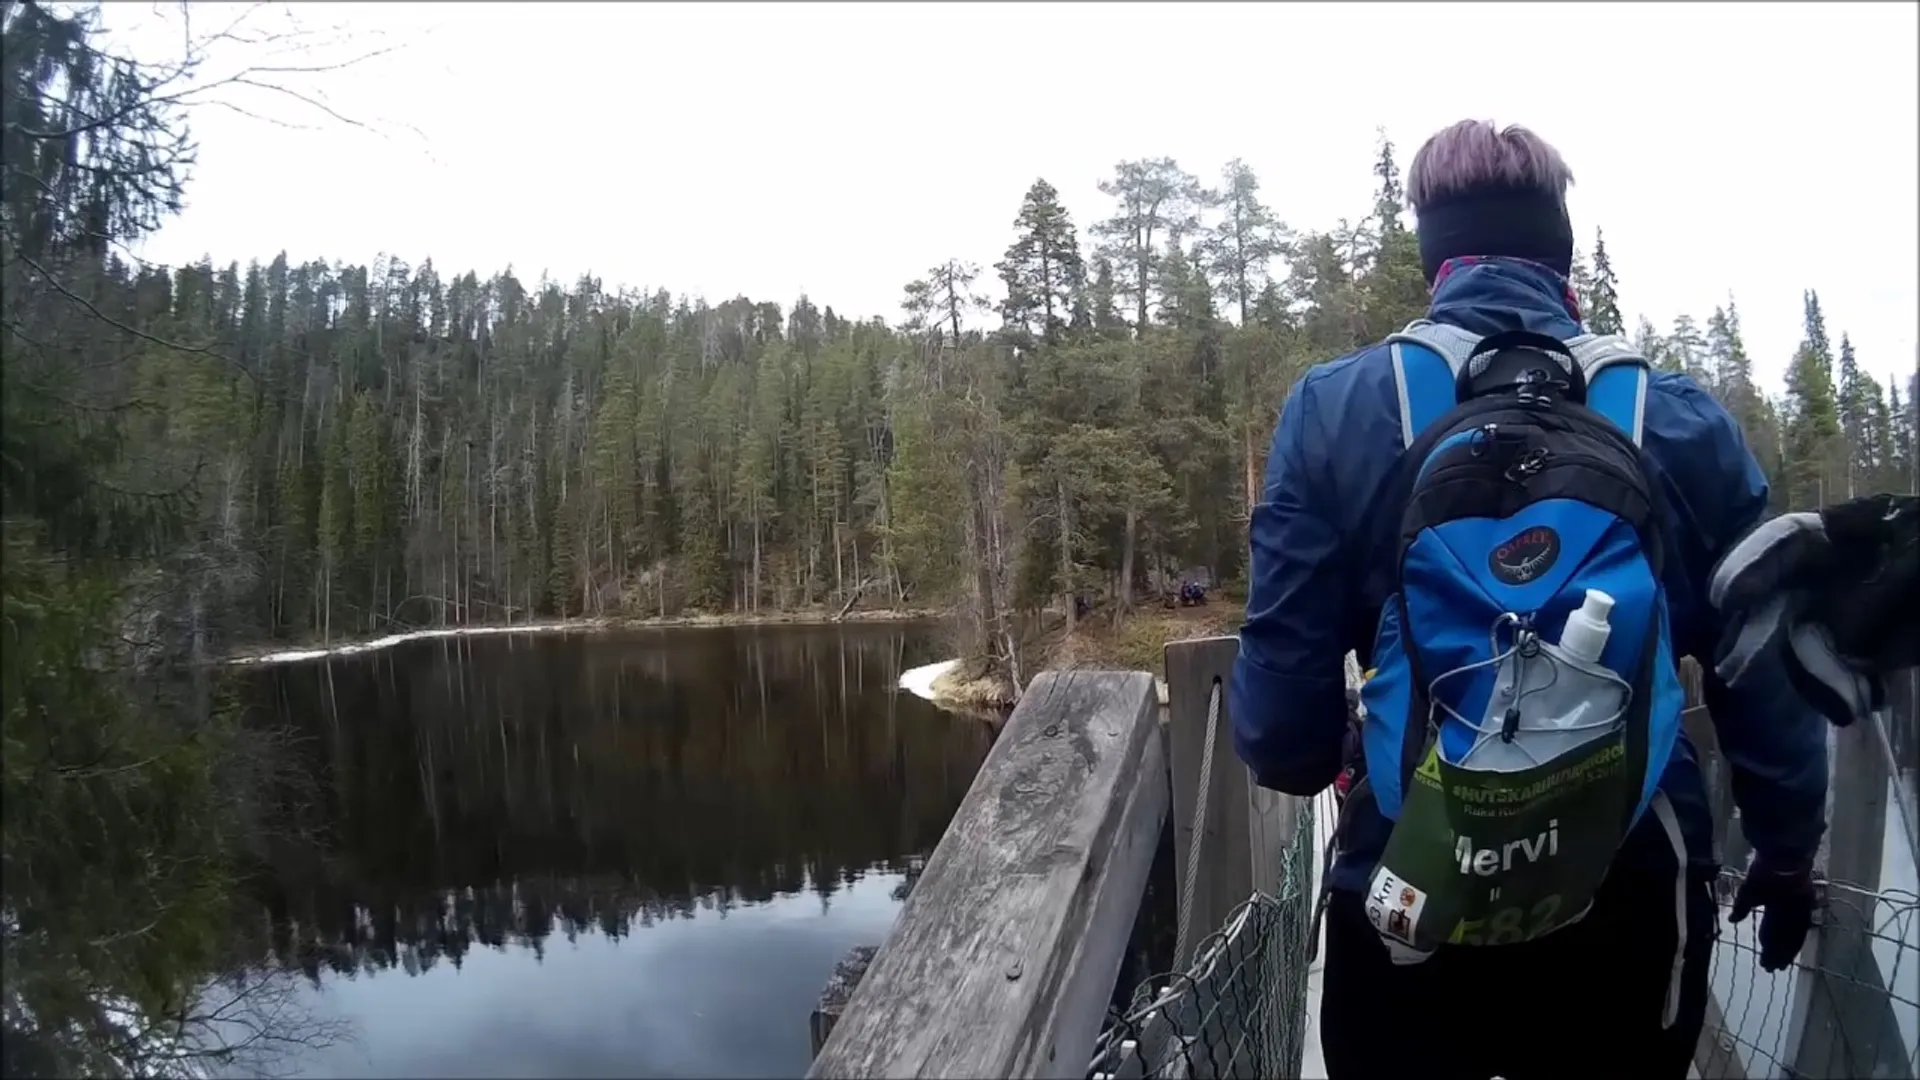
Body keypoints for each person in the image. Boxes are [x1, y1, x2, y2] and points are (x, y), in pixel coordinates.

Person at [1229, 120, 1829, 1080]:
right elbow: (1765, 668)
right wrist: (1787, 850)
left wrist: (1340, 744)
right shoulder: (1677, 418)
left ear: (1435, 258)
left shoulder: (1336, 410)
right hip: (1634, 877)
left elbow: (1279, 738)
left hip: (1408, 879)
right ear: (1562, 256)